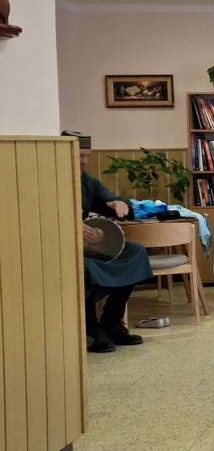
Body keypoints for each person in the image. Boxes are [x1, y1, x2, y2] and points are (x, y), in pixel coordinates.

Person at [69, 131, 153, 353]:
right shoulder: (47, 179)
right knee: (85, 267)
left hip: (87, 245)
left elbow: (109, 198)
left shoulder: (86, 181)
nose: (84, 161)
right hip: (63, 247)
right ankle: (90, 329)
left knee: (135, 252)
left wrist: (119, 204)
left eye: (87, 156)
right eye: (79, 156)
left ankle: (112, 321)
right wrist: (70, 226)